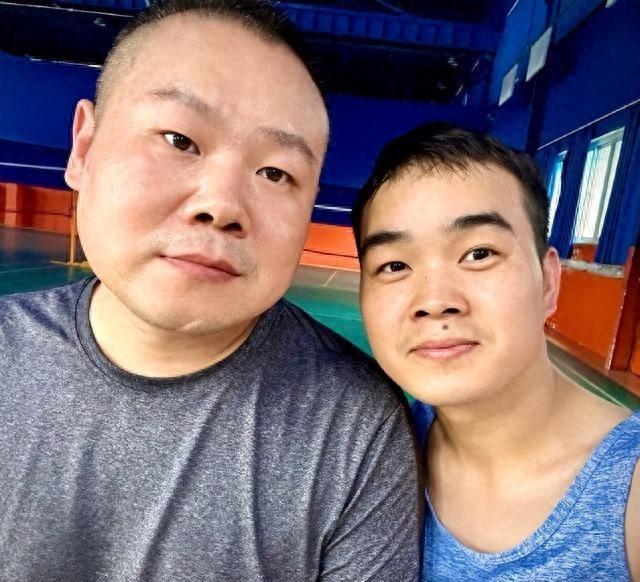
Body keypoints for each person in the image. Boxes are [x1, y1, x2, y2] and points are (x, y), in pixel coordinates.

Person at [0, 1, 422, 579]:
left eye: (275, 173)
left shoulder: (353, 432)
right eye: (180, 140)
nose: (222, 205)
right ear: (84, 147)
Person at [351, 122, 640, 580]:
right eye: (395, 264)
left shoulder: (628, 491)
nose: (434, 300)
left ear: (548, 282)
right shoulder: (367, 454)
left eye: (479, 253)